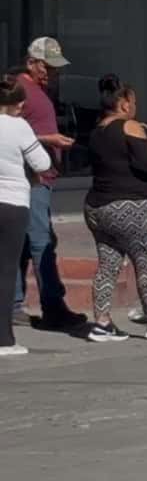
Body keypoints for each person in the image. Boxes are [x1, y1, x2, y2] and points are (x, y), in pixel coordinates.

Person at [83, 75, 147, 342]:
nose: (135, 107)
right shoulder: (130, 126)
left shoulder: (97, 131)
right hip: (128, 206)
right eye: (134, 102)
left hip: (97, 207)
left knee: (108, 264)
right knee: (145, 263)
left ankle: (102, 323)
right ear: (124, 103)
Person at [11, 37, 87, 331]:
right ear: (32, 62)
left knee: (26, 243)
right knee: (42, 241)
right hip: (31, 179)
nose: (52, 73)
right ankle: (53, 306)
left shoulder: (39, 90)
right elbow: (10, 129)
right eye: (47, 67)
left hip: (41, 178)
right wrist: (49, 140)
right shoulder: (19, 89)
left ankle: (13, 304)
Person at [0, 76, 51, 356]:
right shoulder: (19, 127)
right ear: (15, 103)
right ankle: (4, 340)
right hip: (12, 203)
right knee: (6, 272)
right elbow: (42, 162)